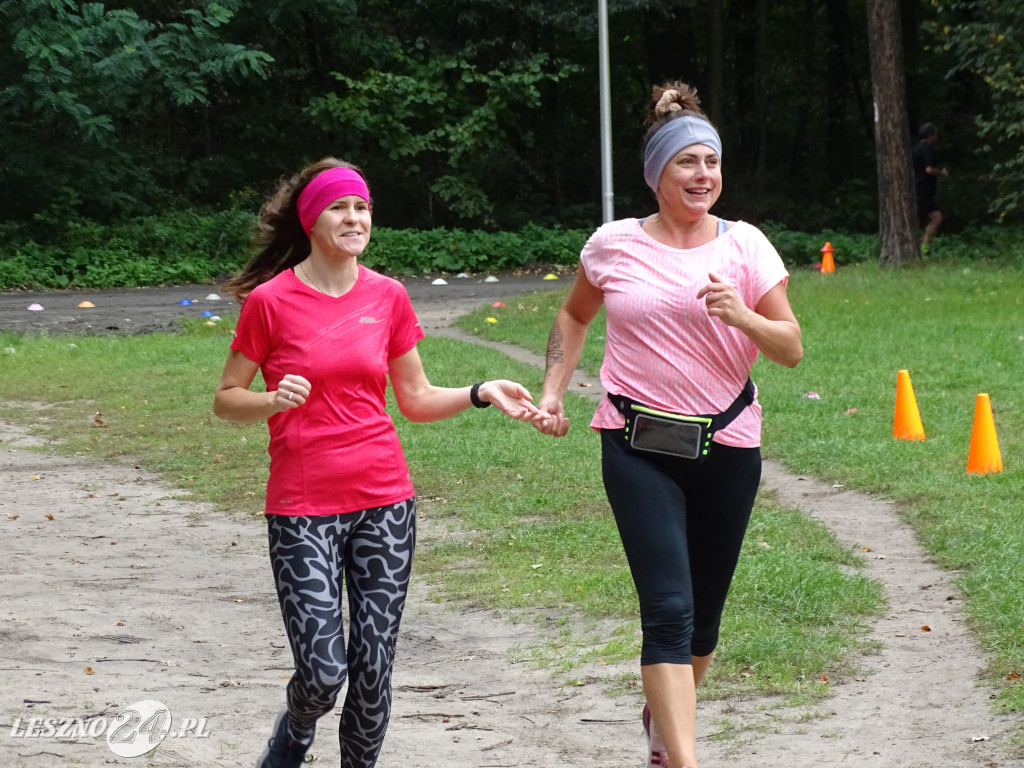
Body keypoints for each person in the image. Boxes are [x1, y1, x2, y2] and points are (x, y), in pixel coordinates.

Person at [213, 157, 544, 768]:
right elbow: (225, 400)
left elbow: (414, 400)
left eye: (362, 206)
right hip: (302, 507)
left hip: (384, 502)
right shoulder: (270, 302)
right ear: (312, 220)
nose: (354, 217)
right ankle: (294, 732)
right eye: (340, 206)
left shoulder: (387, 296)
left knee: (372, 669)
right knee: (321, 670)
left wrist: (480, 390)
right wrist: (269, 399)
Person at [532, 82, 802, 768]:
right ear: (658, 175)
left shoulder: (746, 248)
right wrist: (554, 391)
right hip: (637, 447)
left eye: (711, 163)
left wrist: (741, 314)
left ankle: (663, 724)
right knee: (668, 612)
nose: (703, 175)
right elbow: (573, 316)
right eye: (687, 163)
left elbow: (790, 346)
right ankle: (679, 760)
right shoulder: (614, 246)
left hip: (729, 447)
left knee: (702, 626)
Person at [912, 122, 950, 254]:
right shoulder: (927, 149)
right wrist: (942, 173)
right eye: (935, 134)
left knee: (936, 217)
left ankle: (923, 250)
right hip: (924, 191)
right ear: (930, 136)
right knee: (915, 222)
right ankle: (920, 251)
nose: (937, 137)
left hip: (918, 189)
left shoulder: (915, 149)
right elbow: (929, 169)